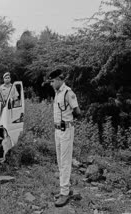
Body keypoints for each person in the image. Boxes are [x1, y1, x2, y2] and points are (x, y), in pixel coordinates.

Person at [47, 68, 81, 207]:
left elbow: (77, 111)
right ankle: (63, 189)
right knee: (60, 161)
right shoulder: (57, 92)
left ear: (60, 80)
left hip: (66, 130)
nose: (51, 83)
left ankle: (65, 194)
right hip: (57, 131)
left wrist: (69, 121)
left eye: (53, 81)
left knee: (65, 161)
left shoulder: (68, 92)